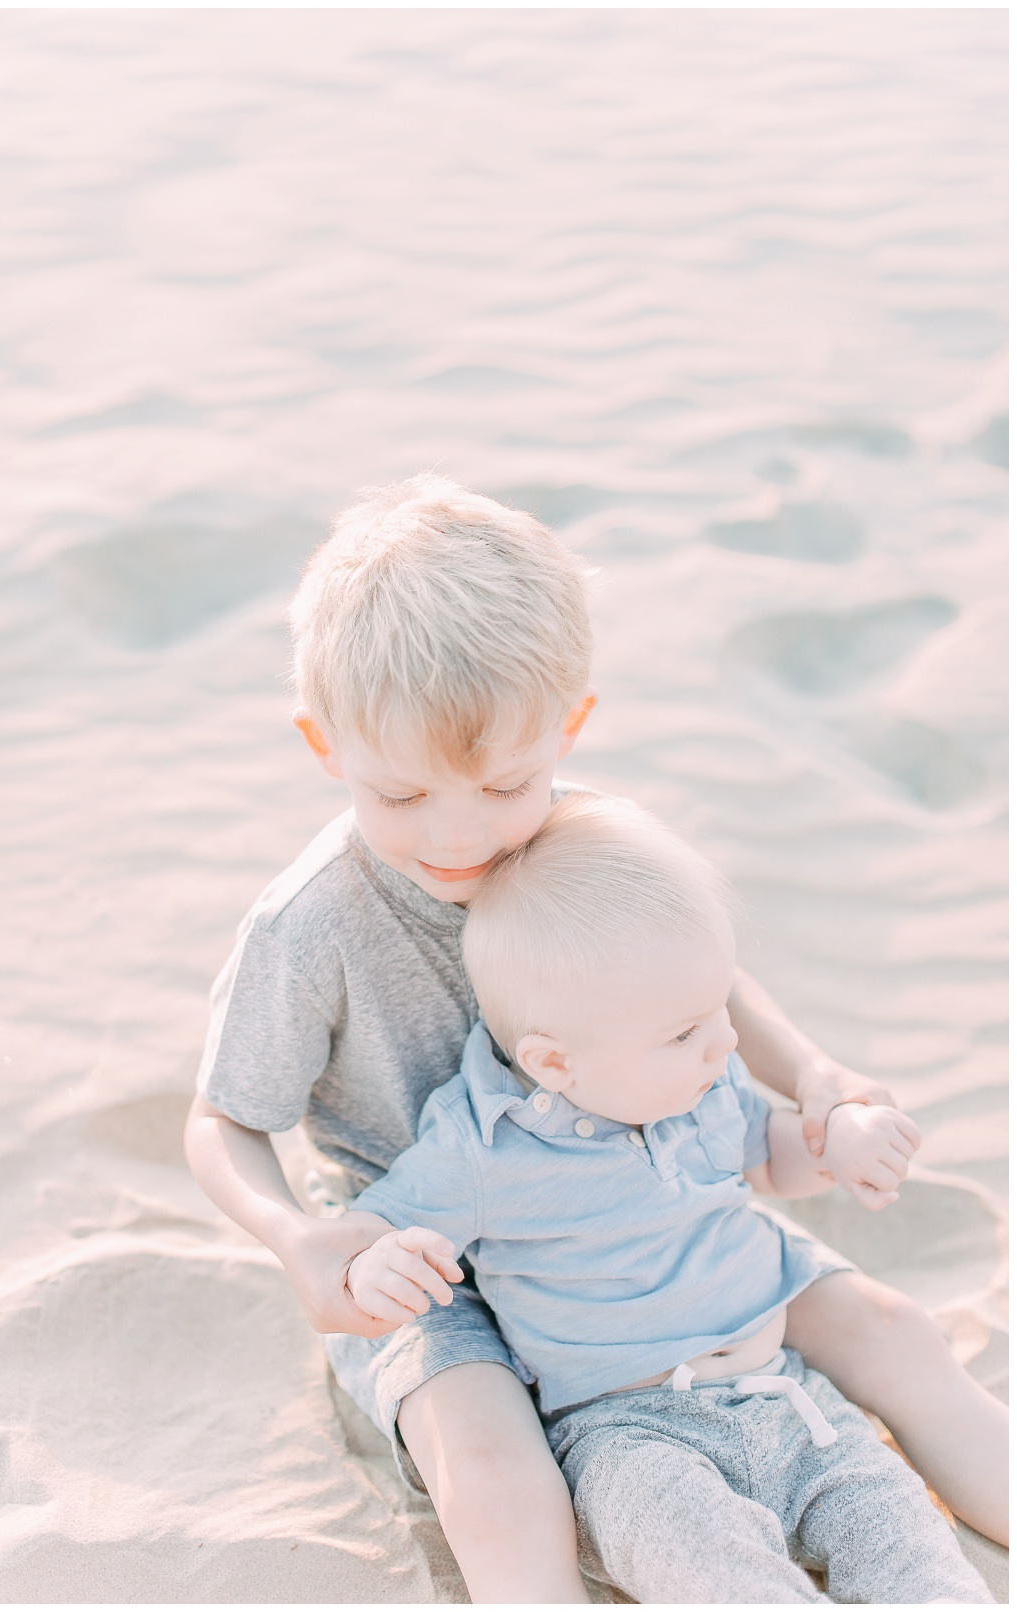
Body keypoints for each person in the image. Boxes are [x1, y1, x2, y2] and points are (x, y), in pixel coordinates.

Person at [184, 476, 1007, 1604]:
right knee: (494, 1469)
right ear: (325, 744)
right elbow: (223, 1117)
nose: (461, 832)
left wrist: (811, 1074)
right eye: (404, 794)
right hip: (421, 1251)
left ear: (567, 725)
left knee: (889, 1329)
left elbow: (695, 970)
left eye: (507, 781)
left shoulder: (579, 834)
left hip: (635, 1200)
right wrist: (297, 1241)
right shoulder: (313, 922)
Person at [344, 792, 996, 1604]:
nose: (725, 1044)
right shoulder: (485, 1149)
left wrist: (838, 1147)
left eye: (718, 1009)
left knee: (898, 1529)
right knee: (709, 1566)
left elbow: (771, 1155)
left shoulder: (701, 1083)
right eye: (685, 1031)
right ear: (555, 1064)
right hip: (628, 1436)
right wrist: (375, 1260)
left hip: (788, 1395)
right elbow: (372, 1222)